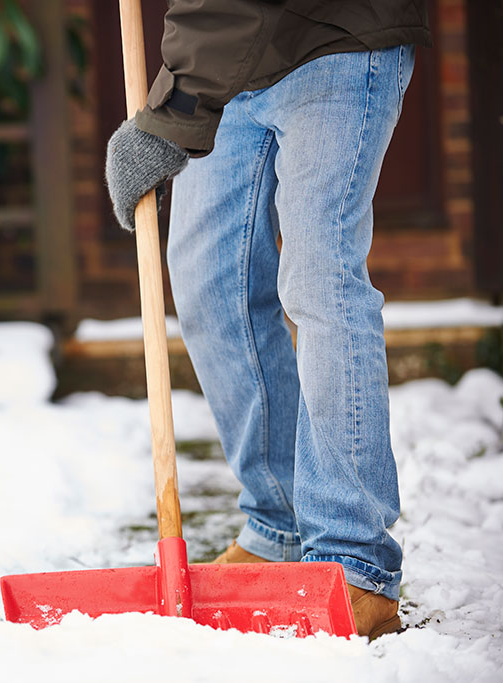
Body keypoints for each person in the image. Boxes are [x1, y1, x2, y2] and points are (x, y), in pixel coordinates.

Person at [105, 1, 431, 640]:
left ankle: (351, 561)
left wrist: (170, 115)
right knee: (207, 278)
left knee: (320, 276)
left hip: (339, 34)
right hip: (233, 68)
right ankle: (279, 525)